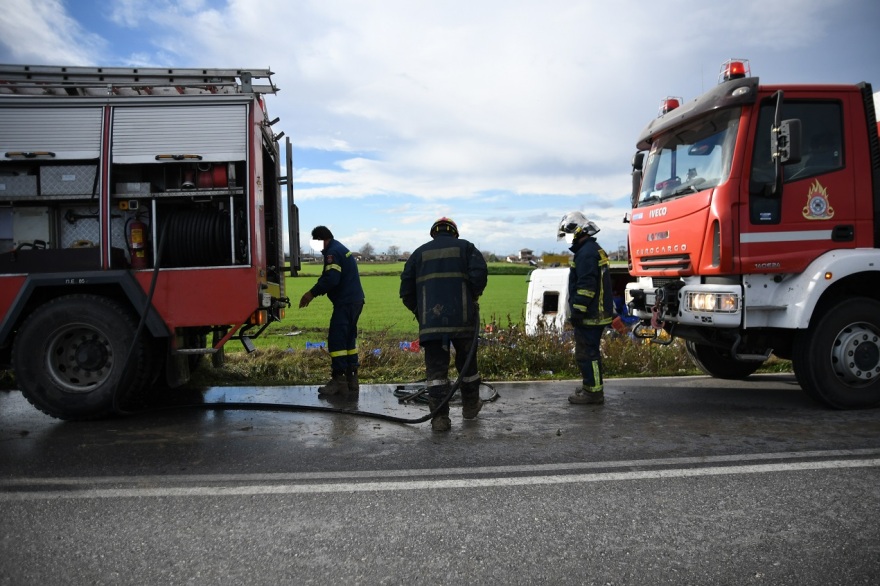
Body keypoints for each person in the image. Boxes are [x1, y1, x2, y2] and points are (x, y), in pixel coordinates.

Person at [400, 218, 488, 432]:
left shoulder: (418, 253)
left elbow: (405, 292)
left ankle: (439, 419)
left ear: (433, 233)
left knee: (436, 372)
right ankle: (469, 408)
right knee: (467, 367)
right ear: (454, 233)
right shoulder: (466, 248)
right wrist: (472, 297)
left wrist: (420, 312)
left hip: (432, 324)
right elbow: (480, 275)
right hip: (464, 320)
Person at [299, 226, 365, 396]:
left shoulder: (332, 253)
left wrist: (311, 294)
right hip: (355, 301)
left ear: (322, 240)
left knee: (336, 340)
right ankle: (352, 380)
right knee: (349, 340)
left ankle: (338, 381)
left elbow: (331, 279)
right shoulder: (340, 248)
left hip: (346, 302)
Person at [557, 211, 614, 405]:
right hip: (596, 313)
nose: (568, 240)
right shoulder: (592, 249)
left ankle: (594, 393)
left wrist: (578, 311)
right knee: (589, 353)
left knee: (587, 354)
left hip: (591, 315)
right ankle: (590, 386)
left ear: (577, 231)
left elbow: (586, 287)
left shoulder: (586, 254)